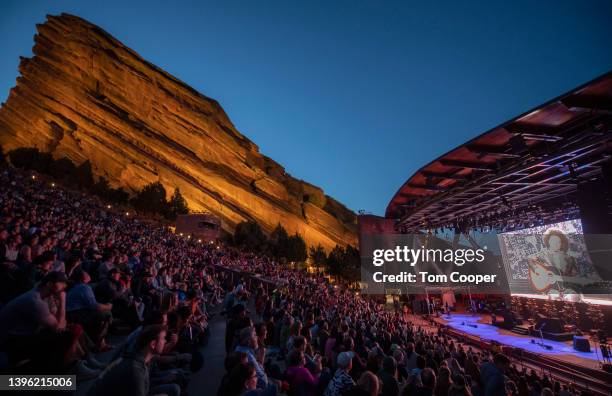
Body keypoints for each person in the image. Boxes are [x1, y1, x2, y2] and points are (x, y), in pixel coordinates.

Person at [87, 324, 180, 396]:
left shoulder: (139, 357)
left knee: (173, 388)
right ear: (153, 344)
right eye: (163, 338)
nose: (165, 341)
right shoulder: (135, 370)